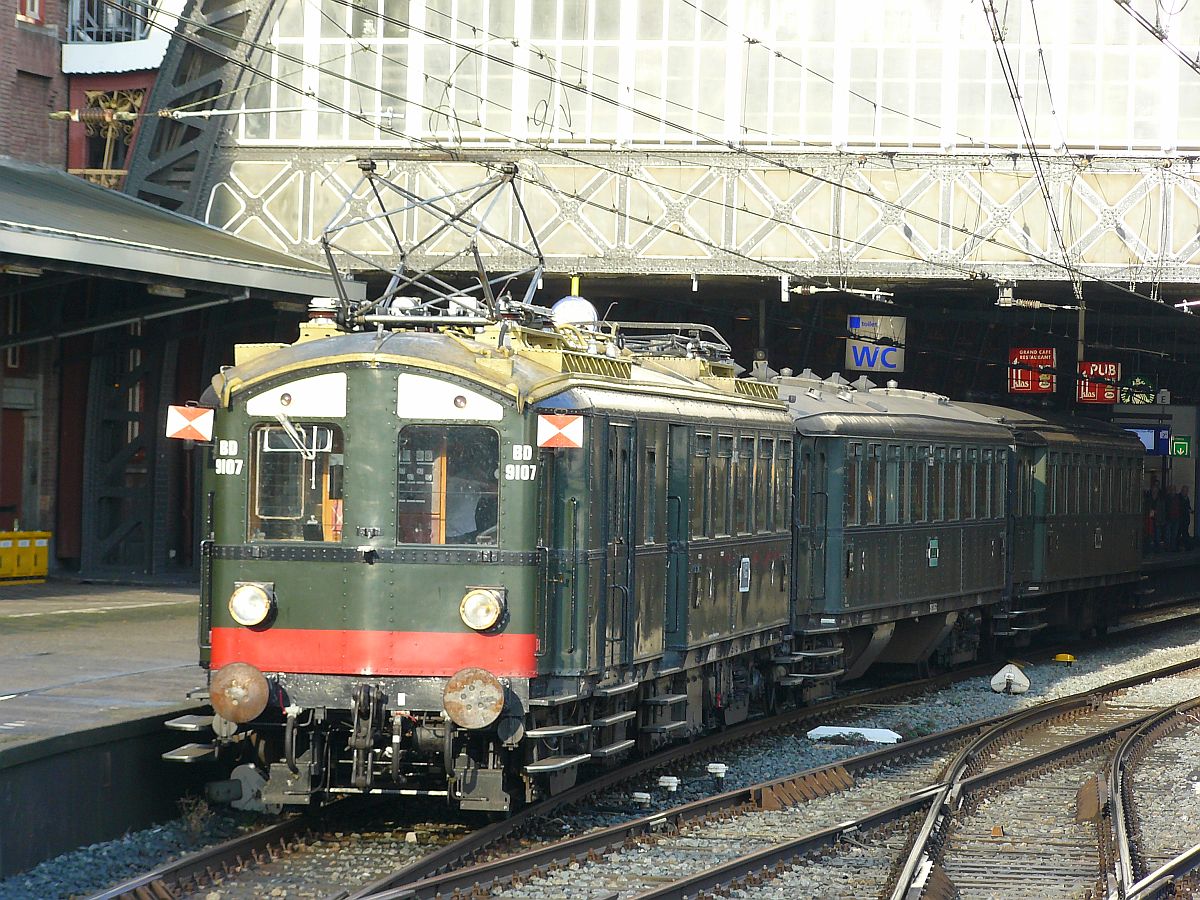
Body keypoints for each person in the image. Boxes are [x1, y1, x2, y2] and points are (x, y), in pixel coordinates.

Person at [1180, 485, 1193, 551]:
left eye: (1187, 491)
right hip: (1181, 518)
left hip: (1186, 519)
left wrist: (1190, 510)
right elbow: (1181, 508)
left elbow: (1188, 506)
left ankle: (1187, 546)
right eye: (1185, 491)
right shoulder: (1180, 498)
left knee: (1185, 532)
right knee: (1183, 532)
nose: (1186, 492)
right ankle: (1186, 546)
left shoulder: (1186, 498)